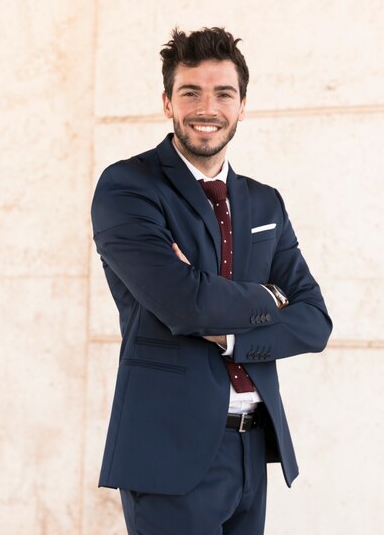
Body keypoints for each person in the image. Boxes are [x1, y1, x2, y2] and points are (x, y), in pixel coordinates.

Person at [91, 26, 332, 535]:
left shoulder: (265, 202)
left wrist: (230, 334)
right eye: (190, 92)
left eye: (223, 93)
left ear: (242, 105)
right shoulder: (127, 188)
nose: (207, 107)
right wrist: (271, 296)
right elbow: (186, 306)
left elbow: (314, 322)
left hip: (252, 446)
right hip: (167, 452)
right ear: (166, 102)